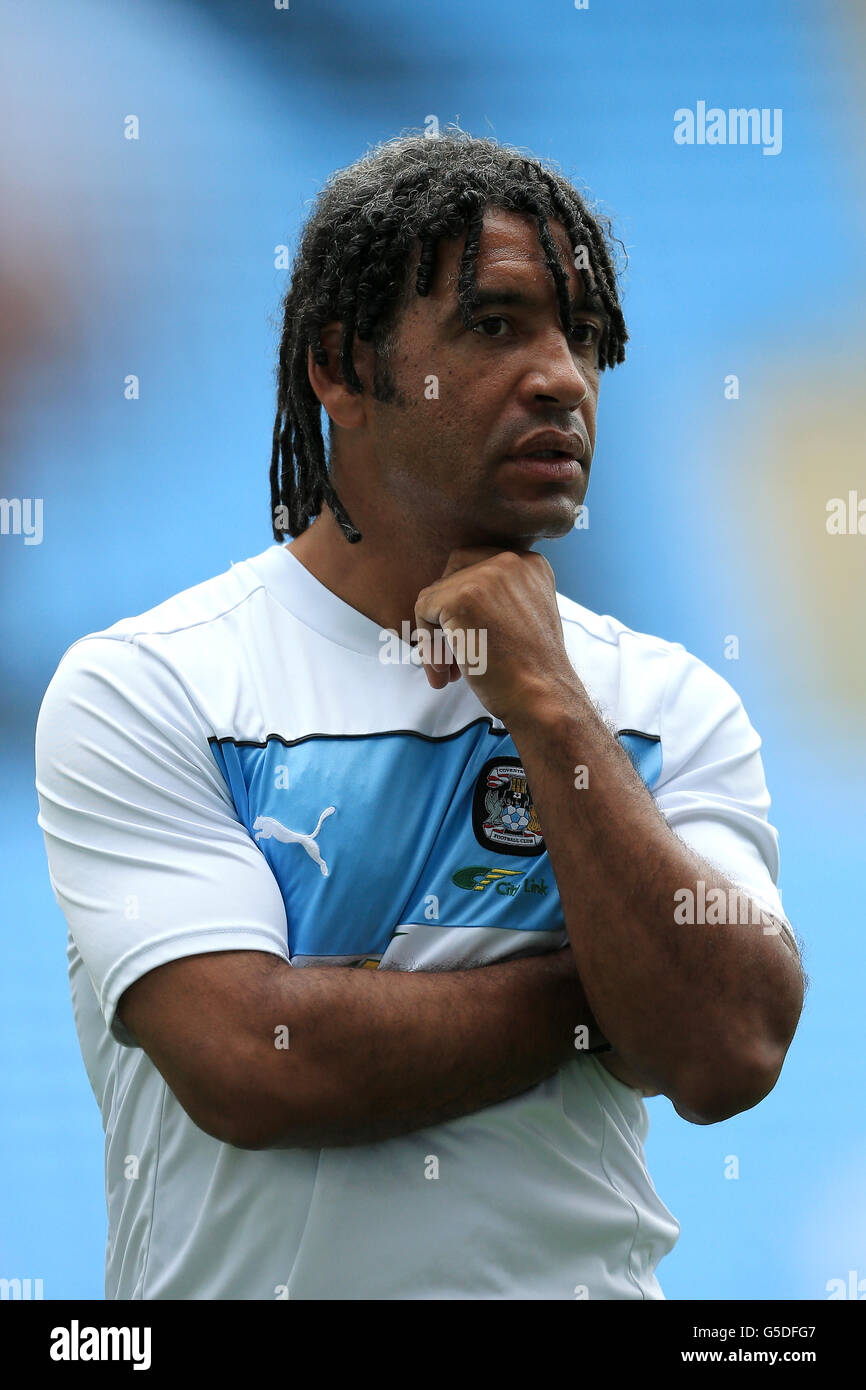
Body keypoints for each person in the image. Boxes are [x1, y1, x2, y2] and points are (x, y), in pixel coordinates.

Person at [35, 132, 805, 1300]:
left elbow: (726, 1050)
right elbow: (256, 1064)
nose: (562, 378)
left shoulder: (664, 703)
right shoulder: (150, 685)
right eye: (495, 326)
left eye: (584, 339)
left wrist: (545, 705)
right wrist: (605, 999)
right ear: (338, 367)